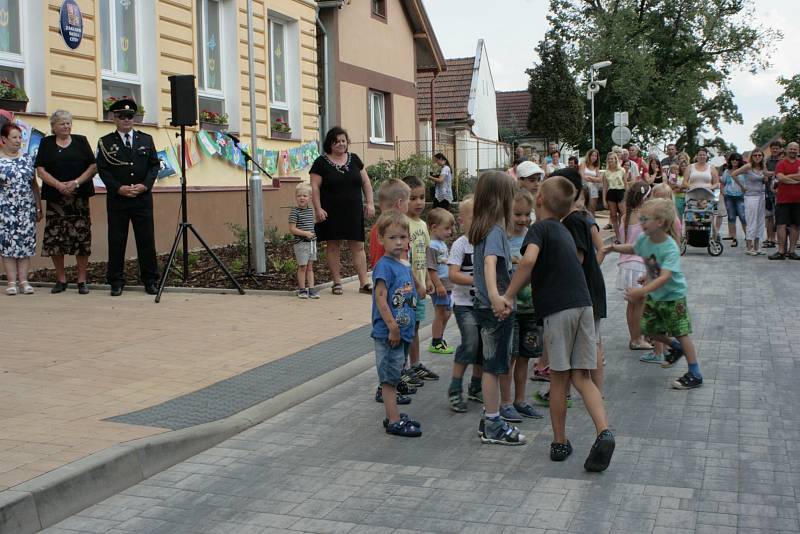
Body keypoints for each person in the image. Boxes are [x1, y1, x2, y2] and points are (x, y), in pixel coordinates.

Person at [502, 177, 614, 471]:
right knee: (583, 377)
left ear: (538, 201)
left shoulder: (538, 229)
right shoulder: (565, 231)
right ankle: (604, 432)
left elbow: (528, 262)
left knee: (559, 380)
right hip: (584, 306)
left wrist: (508, 295)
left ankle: (560, 442)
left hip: (559, 310)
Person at [604, 198, 704, 390]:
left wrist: (642, 290)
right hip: (656, 296)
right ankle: (674, 347)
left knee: (681, 333)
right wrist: (614, 248)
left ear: (660, 222)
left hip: (673, 297)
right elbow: (635, 248)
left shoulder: (670, 248)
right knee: (648, 328)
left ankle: (695, 372)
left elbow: (665, 276)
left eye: (645, 219)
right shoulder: (645, 239)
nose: (640, 222)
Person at [469, 171, 526, 445]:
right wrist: (495, 295)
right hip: (495, 309)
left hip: (486, 306)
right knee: (493, 368)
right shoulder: (494, 231)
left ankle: (489, 417)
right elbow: (490, 263)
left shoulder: (482, 229)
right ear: (501, 199)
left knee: (492, 366)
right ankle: (492, 422)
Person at [95, 98, 160, 296]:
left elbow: (154, 165)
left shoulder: (146, 139)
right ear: (114, 118)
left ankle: (150, 280)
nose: (126, 120)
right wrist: (118, 188)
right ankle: (115, 281)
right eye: (122, 117)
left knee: (146, 241)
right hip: (118, 200)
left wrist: (144, 186)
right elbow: (103, 170)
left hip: (142, 199)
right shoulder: (105, 142)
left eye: (130, 116)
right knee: (117, 240)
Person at [556, 168, 608, 396]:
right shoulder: (574, 219)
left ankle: (596, 392)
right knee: (589, 341)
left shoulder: (573, 221)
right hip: (587, 289)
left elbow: (576, 259)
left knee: (592, 343)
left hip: (585, 290)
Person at [371, 211, 422, 437]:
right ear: (381, 239)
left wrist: (421, 287)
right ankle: (393, 420)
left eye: (403, 237)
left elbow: (413, 285)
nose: (399, 242)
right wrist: (392, 327)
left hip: (402, 333)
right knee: (390, 380)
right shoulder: (384, 266)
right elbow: (380, 298)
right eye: (392, 238)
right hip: (389, 333)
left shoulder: (402, 263)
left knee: (395, 373)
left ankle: (393, 415)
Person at [35, 110, 97, 294]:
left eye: (69, 123)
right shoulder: (46, 143)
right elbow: (40, 169)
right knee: (56, 239)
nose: (67, 126)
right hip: (56, 199)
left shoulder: (81, 141)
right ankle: (61, 279)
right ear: (53, 126)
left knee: (81, 239)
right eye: (62, 123)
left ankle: (81, 280)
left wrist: (76, 182)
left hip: (78, 198)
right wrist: (58, 185)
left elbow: (93, 166)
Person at [310, 127, 375, 295]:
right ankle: (337, 282)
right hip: (330, 211)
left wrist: (370, 203)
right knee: (333, 246)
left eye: (343, 141)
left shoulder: (354, 159)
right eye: (336, 141)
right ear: (330, 144)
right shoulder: (320, 162)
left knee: (358, 246)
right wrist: (318, 209)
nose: (340, 144)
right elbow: (315, 188)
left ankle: (364, 283)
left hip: (353, 210)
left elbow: (366, 183)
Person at [506, 187, 543, 419]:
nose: (522, 219)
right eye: (517, 214)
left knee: (525, 357)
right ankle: (505, 401)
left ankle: (520, 399)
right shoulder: (501, 238)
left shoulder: (534, 236)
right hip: (509, 308)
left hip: (531, 308)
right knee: (507, 358)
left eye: (526, 214)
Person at [446, 197, 484, 412]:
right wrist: (477, 279)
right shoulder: (460, 245)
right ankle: (455, 387)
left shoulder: (489, 242)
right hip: (464, 305)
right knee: (470, 342)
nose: (480, 221)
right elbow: (453, 275)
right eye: (474, 217)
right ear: (462, 221)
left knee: (482, 345)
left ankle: (476, 386)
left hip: (484, 305)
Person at [402, 175, 438, 381]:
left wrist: (429, 280)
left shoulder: (422, 225)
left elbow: (425, 252)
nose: (418, 202)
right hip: (407, 288)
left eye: (422, 197)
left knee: (415, 326)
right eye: (413, 198)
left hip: (421, 286)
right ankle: (403, 366)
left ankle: (415, 364)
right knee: (405, 327)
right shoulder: (402, 223)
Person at [1, 123, 43, 295]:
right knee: (8, 246)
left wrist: (38, 206)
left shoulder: (27, 158)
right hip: (5, 210)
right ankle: (11, 282)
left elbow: (34, 184)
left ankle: (24, 281)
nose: (18, 141)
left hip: (26, 209)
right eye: (14, 137)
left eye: (20, 137)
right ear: (3, 140)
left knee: (25, 245)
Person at [616, 183, 654, 352]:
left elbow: (623, 240)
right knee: (640, 305)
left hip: (625, 264)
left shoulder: (625, 216)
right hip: (640, 264)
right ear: (645, 198)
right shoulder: (646, 217)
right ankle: (639, 339)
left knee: (631, 305)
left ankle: (634, 338)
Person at [426, 207, 455, 354]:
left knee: (447, 313)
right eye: (447, 228)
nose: (450, 232)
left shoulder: (442, 243)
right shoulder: (432, 246)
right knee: (440, 313)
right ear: (434, 227)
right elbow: (431, 268)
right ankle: (436, 341)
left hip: (447, 284)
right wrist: (438, 285)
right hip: (440, 285)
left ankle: (439, 338)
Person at [730, 149, 770, 255]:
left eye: (759, 155)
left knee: (760, 221)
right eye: (755, 155)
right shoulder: (748, 166)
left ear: (762, 156)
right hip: (751, 196)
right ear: (752, 156)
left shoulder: (763, 167)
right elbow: (734, 174)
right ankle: (749, 247)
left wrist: (766, 178)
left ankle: (757, 247)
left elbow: (766, 176)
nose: (757, 157)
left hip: (761, 196)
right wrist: (742, 186)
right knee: (751, 221)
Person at [368, 178, 410, 269]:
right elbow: (403, 263)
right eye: (408, 202)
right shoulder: (399, 230)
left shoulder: (376, 228)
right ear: (399, 203)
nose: (408, 205)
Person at [770, 142, 800, 260]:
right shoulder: (781, 163)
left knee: (796, 226)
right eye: (791, 149)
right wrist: (796, 179)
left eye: (795, 149)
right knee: (781, 225)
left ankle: (792, 251)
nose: (793, 151)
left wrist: (787, 177)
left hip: (798, 200)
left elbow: (784, 177)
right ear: (787, 150)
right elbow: (780, 177)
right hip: (783, 199)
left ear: (798, 151)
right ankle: (781, 251)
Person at [288, 183, 318, 298]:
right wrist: (305, 233)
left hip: (311, 243)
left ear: (310, 198)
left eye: (305, 196)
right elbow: (292, 229)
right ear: (296, 197)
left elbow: (311, 225)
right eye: (299, 195)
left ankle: (311, 289)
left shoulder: (310, 211)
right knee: (303, 267)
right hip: (301, 243)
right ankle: (302, 289)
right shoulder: (294, 212)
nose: (302, 198)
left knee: (310, 267)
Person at [720, 153, 747, 247]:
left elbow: (747, 183)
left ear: (740, 161)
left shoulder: (743, 171)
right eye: (733, 159)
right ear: (730, 161)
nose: (735, 161)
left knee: (743, 216)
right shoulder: (727, 171)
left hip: (740, 196)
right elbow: (722, 183)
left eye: (737, 159)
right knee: (731, 217)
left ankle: (748, 236)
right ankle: (734, 238)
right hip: (729, 196)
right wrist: (723, 192)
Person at [602, 151, 629, 243]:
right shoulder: (606, 172)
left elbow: (625, 184)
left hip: (621, 192)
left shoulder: (621, 170)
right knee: (613, 216)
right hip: (611, 193)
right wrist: (604, 201)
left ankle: (625, 235)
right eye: (609, 159)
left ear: (615, 159)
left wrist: (628, 196)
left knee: (624, 215)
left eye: (612, 159)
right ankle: (618, 237)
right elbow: (605, 187)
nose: (610, 160)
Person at [763, 140, 783, 248]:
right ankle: (770, 238)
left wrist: (771, 174)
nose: (775, 150)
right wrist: (771, 174)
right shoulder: (767, 160)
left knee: (778, 217)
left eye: (777, 148)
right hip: (768, 192)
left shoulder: (782, 160)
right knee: (769, 217)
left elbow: (781, 174)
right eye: (773, 148)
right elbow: (764, 172)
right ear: (770, 149)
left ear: (780, 149)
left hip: (780, 193)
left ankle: (776, 239)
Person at [579, 149, 602, 216]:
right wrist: (594, 179)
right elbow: (582, 176)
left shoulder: (596, 166)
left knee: (592, 208)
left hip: (594, 188)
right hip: (584, 188)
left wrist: (590, 178)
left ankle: (592, 223)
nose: (594, 157)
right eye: (592, 155)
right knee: (583, 208)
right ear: (589, 156)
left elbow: (600, 179)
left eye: (595, 156)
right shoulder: (583, 164)